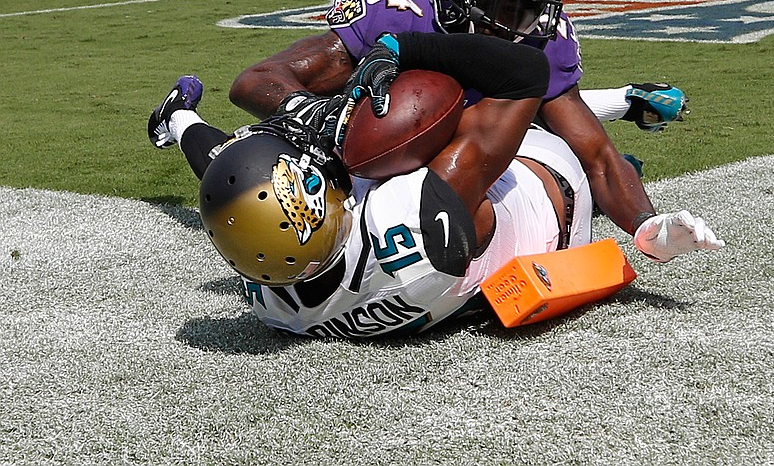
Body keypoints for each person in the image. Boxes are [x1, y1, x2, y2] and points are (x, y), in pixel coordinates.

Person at [148, 30, 723, 338]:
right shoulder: (412, 214)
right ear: (321, 207)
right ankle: (625, 102)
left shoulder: (275, 298)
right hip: (551, 187)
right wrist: (405, 46)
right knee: (404, 120)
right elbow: (524, 75)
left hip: (429, 275)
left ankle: (174, 120)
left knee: (236, 178)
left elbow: (228, 178)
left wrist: (188, 127)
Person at [228, 0, 696, 264]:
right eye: (502, 5)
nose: (518, 27)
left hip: (463, 174)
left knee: (559, 148)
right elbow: (256, 81)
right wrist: (314, 114)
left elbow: (597, 155)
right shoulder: (396, 8)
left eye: (529, 10)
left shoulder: (539, 40)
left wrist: (643, 222)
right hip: (361, 166)